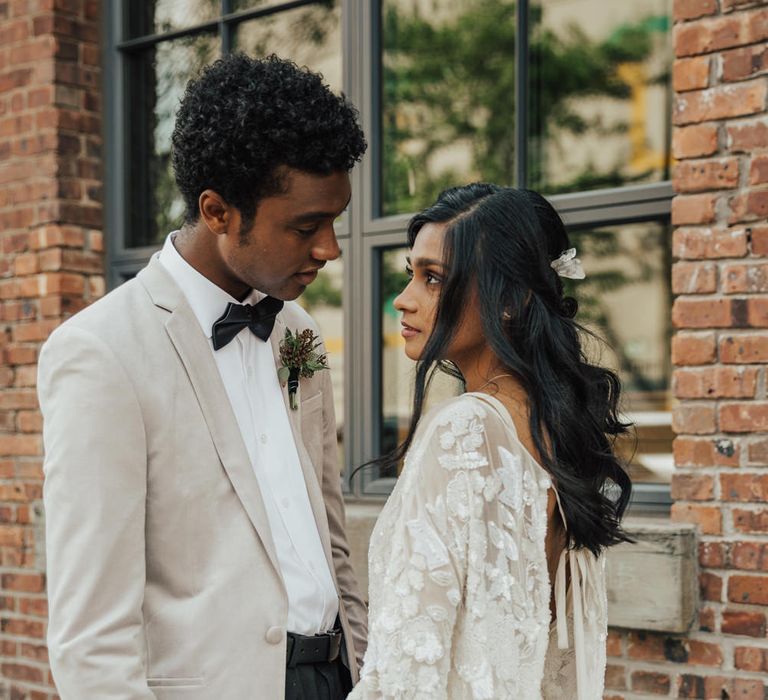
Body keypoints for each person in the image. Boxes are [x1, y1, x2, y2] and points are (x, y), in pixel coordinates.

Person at [38, 53, 367, 700]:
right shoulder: (101, 354)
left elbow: (332, 539)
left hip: (339, 677)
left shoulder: (298, 332)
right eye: (306, 226)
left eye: (334, 222)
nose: (330, 248)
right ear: (218, 212)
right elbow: (90, 640)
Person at [348, 183, 632, 699]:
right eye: (409, 274)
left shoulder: (464, 430)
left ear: (511, 299)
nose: (403, 300)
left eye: (433, 279)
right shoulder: (557, 428)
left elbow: (410, 669)